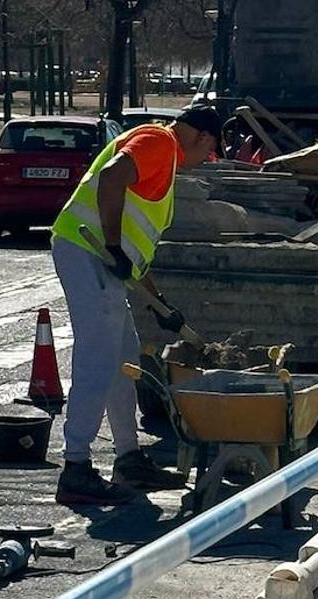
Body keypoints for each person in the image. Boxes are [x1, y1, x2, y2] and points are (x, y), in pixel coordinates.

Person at [50, 105, 223, 505]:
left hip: (100, 258)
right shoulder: (160, 142)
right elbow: (111, 179)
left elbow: (134, 248)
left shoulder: (163, 155)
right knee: (100, 359)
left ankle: (128, 458)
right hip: (88, 251)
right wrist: (111, 245)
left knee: (124, 358)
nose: (203, 164)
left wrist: (160, 304)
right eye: (210, 154)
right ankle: (75, 467)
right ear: (202, 138)